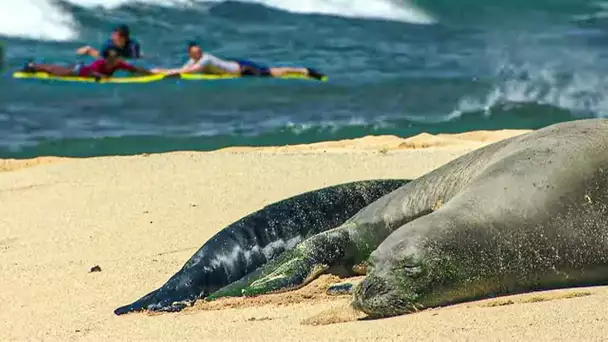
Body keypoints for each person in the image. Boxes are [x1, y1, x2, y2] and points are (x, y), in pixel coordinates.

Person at [152, 42, 326, 80]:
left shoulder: (205, 59)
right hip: (234, 64)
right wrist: (162, 70)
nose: (197, 54)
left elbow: (187, 72)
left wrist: (166, 73)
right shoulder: (194, 60)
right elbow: (183, 68)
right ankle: (304, 71)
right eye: (194, 53)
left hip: (243, 69)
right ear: (191, 53)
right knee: (272, 71)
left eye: (199, 51)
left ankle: (305, 71)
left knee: (274, 72)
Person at [21, 47, 152, 79]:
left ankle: (35, 66)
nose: (116, 59)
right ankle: (33, 67)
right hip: (80, 71)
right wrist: (101, 77)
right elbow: (91, 72)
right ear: (106, 58)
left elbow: (133, 69)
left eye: (117, 57)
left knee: (59, 69)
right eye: (113, 57)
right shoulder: (100, 63)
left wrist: (149, 73)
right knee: (56, 71)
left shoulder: (118, 64)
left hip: (82, 69)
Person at [76, 24, 142, 59]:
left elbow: (135, 61)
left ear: (123, 38)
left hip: (124, 55)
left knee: (141, 56)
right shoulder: (109, 44)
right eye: (113, 35)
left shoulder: (133, 45)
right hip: (112, 56)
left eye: (115, 36)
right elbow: (101, 58)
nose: (112, 37)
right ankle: (89, 50)